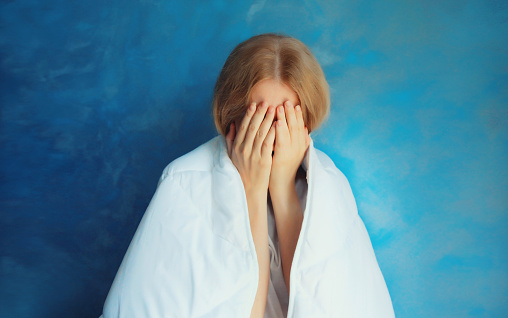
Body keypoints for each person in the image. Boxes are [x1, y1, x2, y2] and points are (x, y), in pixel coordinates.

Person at [101, 33, 395, 318]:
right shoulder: (184, 182)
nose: (269, 135)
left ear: (304, 124)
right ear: (234, 118)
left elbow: (319, 306)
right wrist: (251, 192)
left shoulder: (330, 185)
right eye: (259, 118)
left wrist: (282, 189)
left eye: (283, 120)